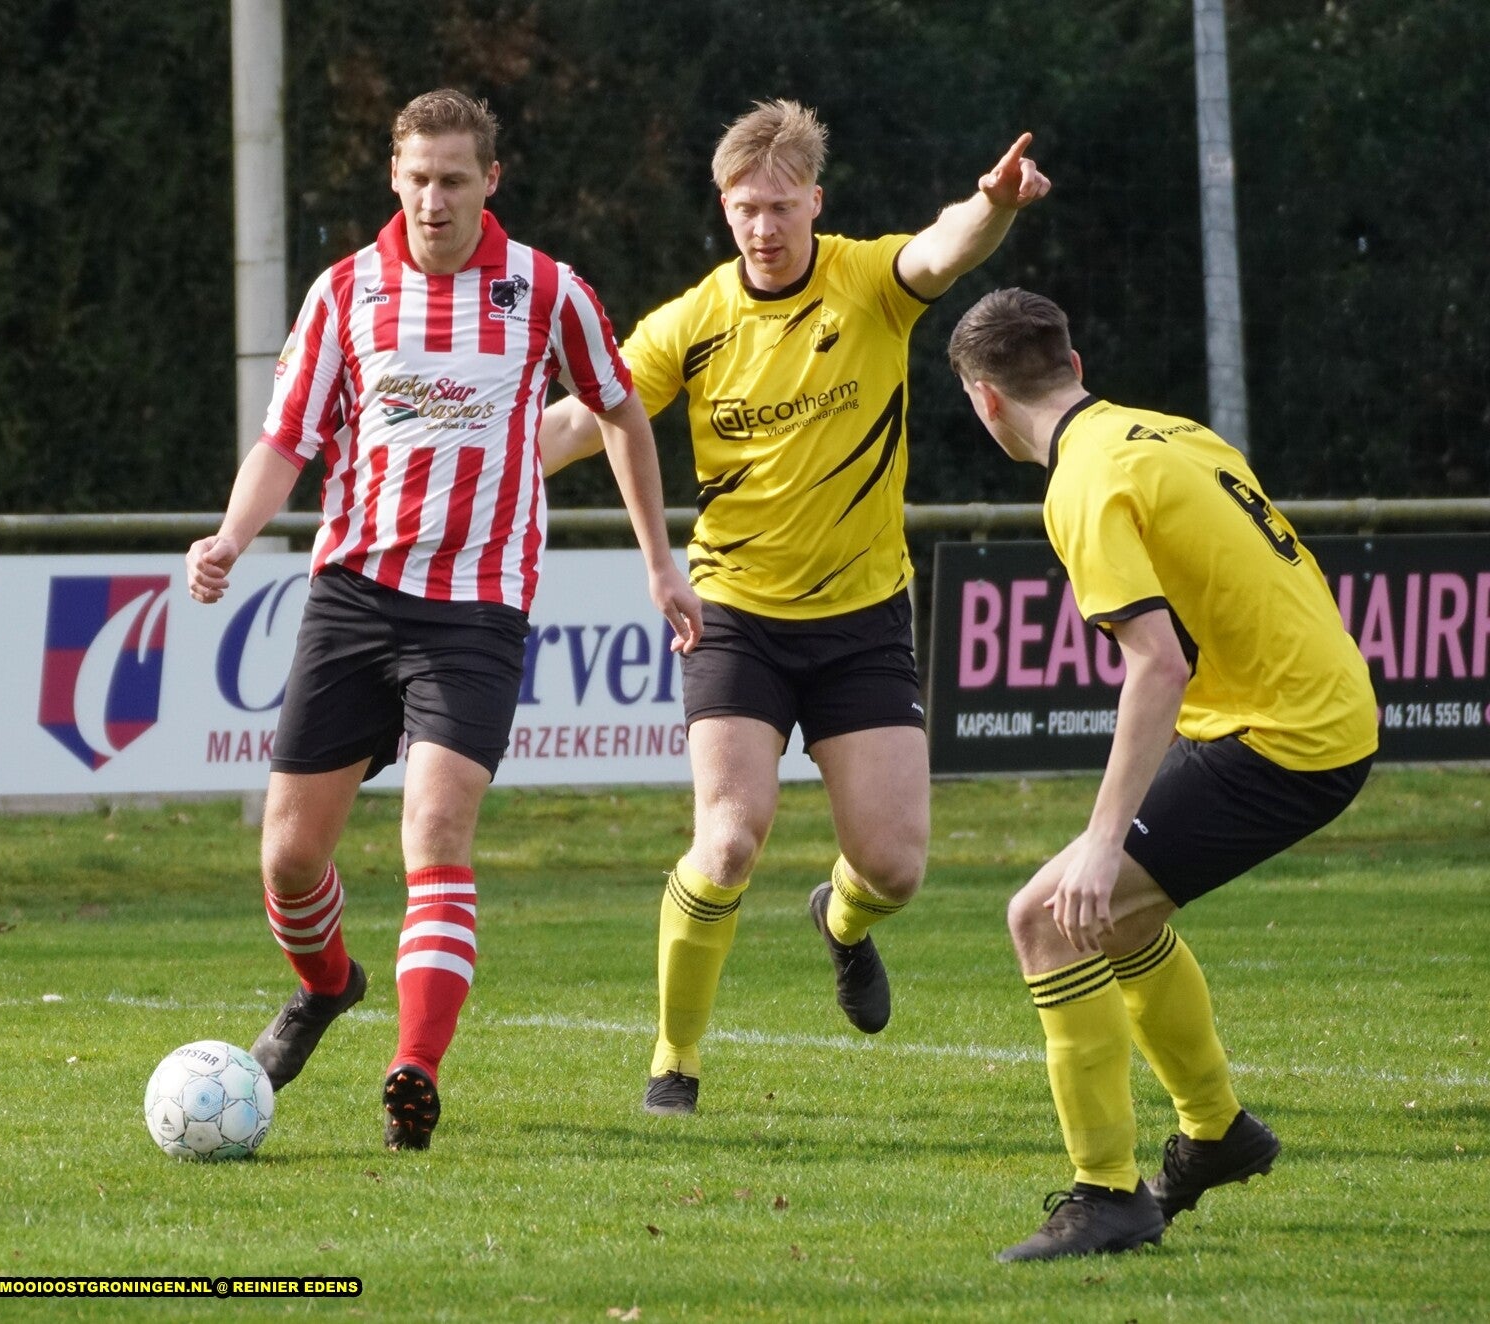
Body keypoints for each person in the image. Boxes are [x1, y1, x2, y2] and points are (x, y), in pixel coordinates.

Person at [185, 89, 701, 1152]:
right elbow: (286, 440)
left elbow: (620, 409)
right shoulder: (344, 292)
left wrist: (660, 561)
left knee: (435, 831)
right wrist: (232, 537)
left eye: (454, 179)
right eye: (417, 178)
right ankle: (327, 985)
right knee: (288, 858)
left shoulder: (546, 290)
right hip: (354, 596)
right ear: (393, 176)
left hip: (476, 609)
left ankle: (413, 1069)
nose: (433, 199)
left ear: (489, 182)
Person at [539, 100, 1050, 1116]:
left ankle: (841, 921)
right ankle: (675, 1060)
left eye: (780, 206)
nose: (763, 227)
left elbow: (943, 248)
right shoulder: (691, 322)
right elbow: (584, 420)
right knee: (729, 837)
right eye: (745, 208)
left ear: (815, 201)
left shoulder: (866, 282)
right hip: (734, 614)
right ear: (723, 208)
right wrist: (473, 462)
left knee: (894, 869)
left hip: (863, 618)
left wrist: (993, 205)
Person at [946, 287, 1378, 1261]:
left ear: (984, 399)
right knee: (1122, 919)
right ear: (1074, 366)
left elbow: (1156, 664)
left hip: (1284, 735)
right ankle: (1216, 1132)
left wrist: (1104, 842)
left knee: (1044, 919)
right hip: (1305, 709)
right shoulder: (1169, 432)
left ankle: (1107, 1194)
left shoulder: (1082, 482)